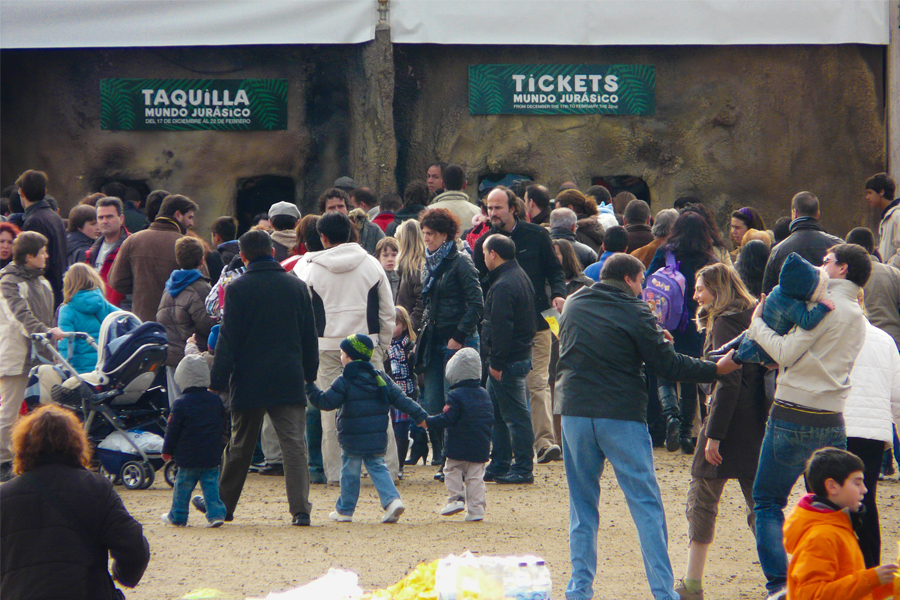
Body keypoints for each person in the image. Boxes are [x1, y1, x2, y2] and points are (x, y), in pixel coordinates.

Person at [556, 253, 738, 600]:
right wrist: (714, 369)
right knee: (645, 505)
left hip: (575, 412)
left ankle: (578, 590)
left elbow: (580, 348)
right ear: (628, 280)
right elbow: (667, 366)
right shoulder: (635, 310)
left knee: (582, 506)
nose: (643, 289)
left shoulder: (575, 303)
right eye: (641, 281)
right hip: (620, 414)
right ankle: (662, 593)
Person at [742, 243, 871, 598]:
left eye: (827, 261)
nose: (820, 266)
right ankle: (830, 576)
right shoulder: (860, 315)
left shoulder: (823, 307)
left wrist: (755, 325)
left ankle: (782, 585)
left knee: (768, 501)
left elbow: (784, 351)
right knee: (831, 504)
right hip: (832, 417)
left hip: (792, 411)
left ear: (842, 269)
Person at [200, 230, 319, 526]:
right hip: (287, 374)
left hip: (248, 376)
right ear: (273, 252)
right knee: (294, 445)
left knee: (240, 444)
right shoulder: (297, 287)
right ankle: (300, 509)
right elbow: (309, 336)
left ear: (243, 256)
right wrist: (310, 373)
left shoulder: (238, 289)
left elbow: (228, 340)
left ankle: (223, 504)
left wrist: (217, 381)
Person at [674, 263, 768, 600]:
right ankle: (784, 576)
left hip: (727, 422)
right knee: (762, 504)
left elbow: (727, 383)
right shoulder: (751, 318)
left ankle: (692, 583)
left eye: (701, 288)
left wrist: (713, 435)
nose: (696, 295)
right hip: (755, 422)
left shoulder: (725, 322)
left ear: (718, 289)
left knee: (701, 499)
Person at [0, 405, 150, 600]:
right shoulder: (95, 488)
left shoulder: (4, 495)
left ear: (22, 447)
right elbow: (134, 547)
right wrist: (123, 575)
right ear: (77, 443)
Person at [293, 211, 398, 485]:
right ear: (353, 232)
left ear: (322, 237)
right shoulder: (372, 265)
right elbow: (388, 311)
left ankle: (337, 475)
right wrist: (382, 345)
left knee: (329, 414)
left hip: (325, 348)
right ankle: (389, 470)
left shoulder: (309, 269)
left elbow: (302, 317)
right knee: (378, 407)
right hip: (368, 344)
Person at [474, 186, 566, 464]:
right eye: (489, 208)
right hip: (503, 325)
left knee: (537, 382)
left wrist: (559, 293)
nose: (493, 213)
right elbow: (480, 282)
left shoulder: (537, 235)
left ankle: (544, 443)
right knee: (502, 391)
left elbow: (555, 270)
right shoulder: (484, 243)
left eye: (498, 208)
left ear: (512, 208)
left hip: (539, 320)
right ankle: (506, 450)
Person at [306, 334, 427, 524]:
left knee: (349, 473)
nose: (340, 356)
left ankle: (345, 510)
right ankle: (392, 501)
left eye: (342, 353)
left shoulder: (344, 380)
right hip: (377, 437)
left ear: (350, 357)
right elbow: (402, 400)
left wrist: (309, 386)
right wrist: (420, 416)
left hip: (352, 438)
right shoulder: (380, 378)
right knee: (378, 468)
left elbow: (325, 402)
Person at [418, 208, 483, 475]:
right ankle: (442, 456)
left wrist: (458, 336)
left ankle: (452, 459)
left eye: (431, 234)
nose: (426, 239)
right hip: (435, 340)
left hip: (456, 340)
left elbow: (477, 304)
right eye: (424, 234)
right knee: (433, 401)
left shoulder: (462, 262)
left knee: (453, 402)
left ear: (445, 235)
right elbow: (428, 302)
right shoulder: (430, 261)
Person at [647, 211, 719, 454]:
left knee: (664, 372)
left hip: (666, 323)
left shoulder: (665, 252)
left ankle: (671, 417)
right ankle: (687, 434)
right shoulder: (707, 258)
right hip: (694, 324)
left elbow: (648, 283)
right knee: (689, 372)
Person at [783, 448, 898, 600]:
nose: (864, 490)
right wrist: (870, 579)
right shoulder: (821, 536)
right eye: (857, 483)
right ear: (832, 486)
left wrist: (891, 583)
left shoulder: (839, 525)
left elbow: (848, 591)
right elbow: (811, 595)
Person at [0, 232, 64, 481]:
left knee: (45, 409)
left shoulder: (42, 282)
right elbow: (20, 315)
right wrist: (46, 332)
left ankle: (39, 457)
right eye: (43, 252)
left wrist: (49, 340)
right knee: (9, 411)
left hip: (43, 356)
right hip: (16, 355)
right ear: (29, 257)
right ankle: (3, 460)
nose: (47, 256)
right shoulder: (8, 282)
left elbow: (46, 317)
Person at [841, 318, 900, 568]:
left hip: (834, 425)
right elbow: (897, 396)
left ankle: (833, 571)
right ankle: (870, 570)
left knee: (825, 500)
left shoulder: (825, 332)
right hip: (872, 433)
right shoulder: (884, 340)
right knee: (866, 501)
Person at [711, 253, 835, 367]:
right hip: (762, 346)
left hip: (755, 329)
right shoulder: (792, 304)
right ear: (805, 289)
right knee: (742, 354)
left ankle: (718, 352)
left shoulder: (778, 289)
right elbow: (807, 322)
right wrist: (822, 307)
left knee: (740, 339)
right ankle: (718, 361)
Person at [481, 234, 537, 484]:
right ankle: (500, 463)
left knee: (515, 416)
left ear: (493, 254)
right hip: (515, 357)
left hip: (507, 361)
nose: (483, 258)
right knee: (497, 414)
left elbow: (502, 327)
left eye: (484, 253)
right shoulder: (519, 276)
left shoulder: (504, 284)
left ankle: (523, 467)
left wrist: (496, 362)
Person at [426, 347, 494, 521]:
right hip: (480, 444)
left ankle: (456, 497)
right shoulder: (485, 394)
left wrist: (429, 422)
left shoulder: (455, 395)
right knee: (476, 477)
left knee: (452, 469)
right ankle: (476, 509)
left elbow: (448, 418)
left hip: (458, 443)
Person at [109, 194, 198, 322]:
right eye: (189, 217)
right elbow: (200, 287)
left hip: (142, 322)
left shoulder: (133, 240)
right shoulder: (187, 245)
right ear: (178, 215)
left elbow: (116, 281)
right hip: (178, 326)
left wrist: (141, 289)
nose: (191, 223)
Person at [161, 354, 227, 528]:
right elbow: (222, 424)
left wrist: (167, 450)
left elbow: (172, 430)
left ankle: (178, 516)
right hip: (211, 455)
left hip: (187, 457)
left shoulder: (180, 403)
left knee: (182, 488)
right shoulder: (215, 401)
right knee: (211, 486)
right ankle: (216, 514)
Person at [156, 236, 216, 405]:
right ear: (202, 260)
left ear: (178, 259)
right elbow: (208, 325)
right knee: (197, 410)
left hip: (172, 357)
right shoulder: (201, 288)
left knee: (177, 407)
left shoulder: (169, 288)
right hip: (194, 360)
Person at [762, 192, 842, 295]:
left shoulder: (777, 251)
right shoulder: (838, 245)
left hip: (790, 310)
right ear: (817, 214)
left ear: (794, 214)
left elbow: (767, 296)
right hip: (830, 308)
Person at [17, 170, 66, 308]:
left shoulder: (33, 221)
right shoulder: (54, 216)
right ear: (45, 190)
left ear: (21, 192)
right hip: (57, 290)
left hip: (43, 295)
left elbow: (34, 264)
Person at [58, 263, 119, 374]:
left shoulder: (67, 310)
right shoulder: (103, 304)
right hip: (106, 367)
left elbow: (66, 343)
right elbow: (125, 317)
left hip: (81, 371)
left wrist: (64, 367)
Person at [846, 227, 900, 351]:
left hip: (857, 341)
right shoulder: (893, 274)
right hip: (892, 340)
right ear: (872, 248)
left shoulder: (844, 275)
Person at [386, 306, 418, 474]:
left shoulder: (410, 346)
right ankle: (388, 463)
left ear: (405, 326)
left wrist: (413, 356)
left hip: (405, 392)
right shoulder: (383, 346)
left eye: (396, 323)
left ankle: (399, 465)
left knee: (401, 430)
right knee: (387, 429)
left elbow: (417, 367)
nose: (392, 327)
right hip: (388, 393)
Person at [86, 197, 130, 308]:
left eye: (109, 216)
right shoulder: (91, 251)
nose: (104, 221)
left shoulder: (131, 247)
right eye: (100, 217)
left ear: (121, 219)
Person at [395, 219, 426, 333]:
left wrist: (408, 327)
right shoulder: (408, 267)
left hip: (410, 330)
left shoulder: (417, 268)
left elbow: (422, 303)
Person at [864, 172, 899, 264]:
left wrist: (890, 268)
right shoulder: (888, 216)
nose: (867, 197)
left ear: (881, 192)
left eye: (870, 193)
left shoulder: (897, 216)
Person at [376, 236, 400, 301]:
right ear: (378, 258)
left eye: (394, 255)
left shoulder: (403, 277)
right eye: (385, 255)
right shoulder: (375, 278)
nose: (390, 259)